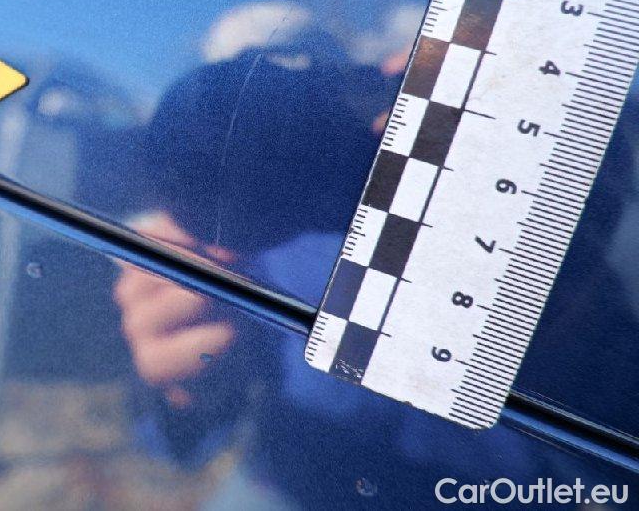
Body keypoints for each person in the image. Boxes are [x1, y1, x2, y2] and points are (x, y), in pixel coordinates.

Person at [114, 27, 577, 508]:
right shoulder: (225, 254)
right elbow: (175, 441)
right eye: (236, 114)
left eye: (306, 76)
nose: (273, 130)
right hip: (292, 484)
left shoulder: (478, 161)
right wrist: (182, 389)